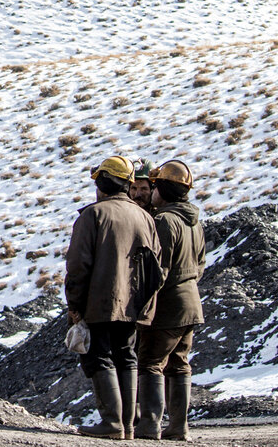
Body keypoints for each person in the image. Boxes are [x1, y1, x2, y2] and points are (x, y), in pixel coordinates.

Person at [65, 154, 161, 440]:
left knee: (100, 357)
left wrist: (75, 306)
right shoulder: (145, 217)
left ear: (104, 183)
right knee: (127, 357)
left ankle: (112, 423)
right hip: (133, 305)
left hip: (99, 302)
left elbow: (78, 266)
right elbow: (156, 266)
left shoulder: (92, 216)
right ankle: (129, 426)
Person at [136, 160, 205, 441]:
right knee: (179, 364)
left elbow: (158, 271)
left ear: (161, 189)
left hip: (168, 307)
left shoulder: (165, 221)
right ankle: (179, 427)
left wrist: (142, 303)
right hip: (191, 304)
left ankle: (149, 425)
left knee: (151, 361)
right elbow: (200, 264)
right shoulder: (194, 222)